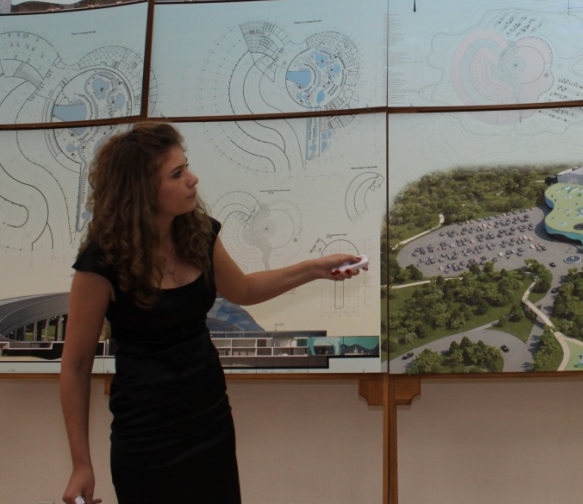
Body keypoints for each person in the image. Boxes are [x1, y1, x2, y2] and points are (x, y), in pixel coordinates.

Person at [60, 122, 365, 504]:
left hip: (210, 421)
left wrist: (315, 268)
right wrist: (81, 464)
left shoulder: (198, 234)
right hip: (146, 439)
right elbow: (75, 366)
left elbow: (244, 290)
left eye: (186, 167)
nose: (192, 179)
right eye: (177, 174)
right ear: (141, 189)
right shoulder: (101, 263)